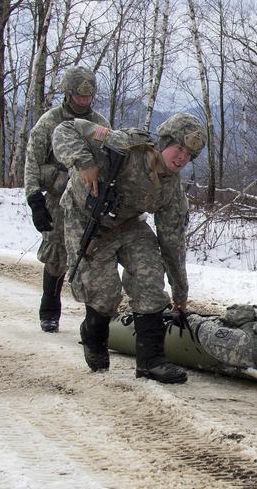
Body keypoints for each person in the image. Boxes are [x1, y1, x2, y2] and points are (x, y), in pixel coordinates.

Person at [52, 112, 207, 384]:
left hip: (128, 224)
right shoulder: (124, 145)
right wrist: (84, 162)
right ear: (165, 141)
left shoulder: (171, 191)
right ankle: (93, 335)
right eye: (179, 148)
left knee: (150, 278)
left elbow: (172, 243)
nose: (182, 158)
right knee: (104, 294)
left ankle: (151, 361)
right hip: (86, 219)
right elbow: (66, 129)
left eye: (189, 155)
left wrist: (180, 292)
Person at [24, 66, 110, 333]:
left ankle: (94, 319)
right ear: (69, 93)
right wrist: (34, 199)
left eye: (88, 96)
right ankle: (49, 309)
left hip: (88, 198)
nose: (84, 101)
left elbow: (111, 158)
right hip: (57, 197)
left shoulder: (99, 125)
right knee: (56, 254)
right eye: (79, 96)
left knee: (91, 252)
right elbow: (32, 162)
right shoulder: (50, 122)